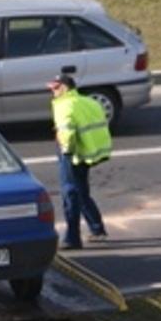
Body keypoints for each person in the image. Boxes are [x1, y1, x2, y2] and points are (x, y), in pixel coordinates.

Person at [47, 74, 111, 250]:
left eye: (55, 88)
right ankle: (97, 229)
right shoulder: (89, 102)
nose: (52, 92)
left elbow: (67, 132)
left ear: (65, 88)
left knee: (70, 193)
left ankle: (72, 238)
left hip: (72, 153)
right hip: (88, 152)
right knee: (82, 190)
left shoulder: (63, 105)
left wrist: (66, 150)